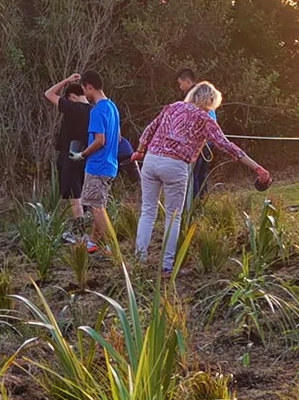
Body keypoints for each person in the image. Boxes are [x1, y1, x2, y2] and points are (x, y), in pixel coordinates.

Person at [133, 82, 273, 275]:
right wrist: (256, 167)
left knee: (147, 212)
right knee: (173, 218)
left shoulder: (173, 107)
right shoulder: (205, 118)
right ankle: (166, 266)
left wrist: (140, 152)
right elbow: (225, 145)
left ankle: (139, 261)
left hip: (151, 160)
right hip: (175, 165)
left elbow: (149, 129)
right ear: (209, 100)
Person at [71, 70, 121, 254]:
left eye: (85, 90)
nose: (85, 94)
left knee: (96, 208)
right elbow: (118, 137)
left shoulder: (97, 111)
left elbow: (100, 140)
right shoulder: (112, 107)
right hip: (110, 165)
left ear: (89, 87)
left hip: (97, 166)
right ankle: (93, 241)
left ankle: (111, 246)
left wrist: (82, 155)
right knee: (97, 204)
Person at [44, 73, 91, 219]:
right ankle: (87, 226)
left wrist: (67, 80)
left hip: (71, 155)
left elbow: (48, 94)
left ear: (72, 96)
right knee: (85, 195)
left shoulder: (71, 107)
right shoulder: (94, 110)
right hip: (88, 155)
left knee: (74, 195)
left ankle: (79, 229)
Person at [174, 67, 219, 207]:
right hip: (210, 139)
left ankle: (193, 205)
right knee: (201, 173)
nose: (180, 87)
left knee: (193, 175)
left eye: (181, 84)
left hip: (200, 141)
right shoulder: (206, 94)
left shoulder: (193, 97)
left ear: (187, 81)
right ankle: (201, 202)